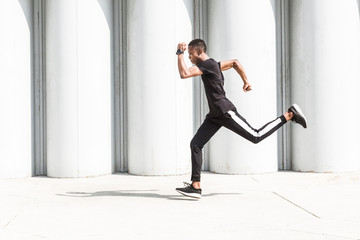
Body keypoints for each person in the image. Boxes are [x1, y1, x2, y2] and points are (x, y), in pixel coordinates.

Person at [175, 39, 307, 199]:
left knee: (256, 136)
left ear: (199, 52)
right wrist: (245, 81)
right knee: (196, 144)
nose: (189, 57)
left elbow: (184, 74)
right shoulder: (214, 65)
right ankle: (196, 186)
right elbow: (235, 63)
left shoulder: (208, 65)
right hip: (215, 115)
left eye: (190, 54)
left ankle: (289, 115)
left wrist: (179, 53)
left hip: (224, 111)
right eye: (187, 54)